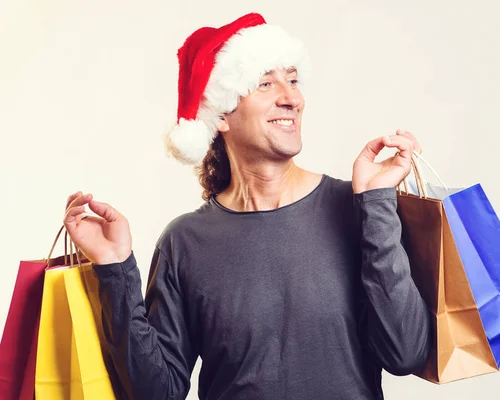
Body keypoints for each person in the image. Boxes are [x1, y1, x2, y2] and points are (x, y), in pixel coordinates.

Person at [63, 12, 431, 400]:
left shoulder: (356, 207)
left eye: (292, 80)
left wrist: (376, 204)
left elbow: (405, 353)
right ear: (220, 114)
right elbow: (157, 392)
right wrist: (115, 269)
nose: (291, 98)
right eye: (265, 84)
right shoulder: (184, 242)